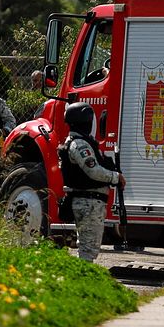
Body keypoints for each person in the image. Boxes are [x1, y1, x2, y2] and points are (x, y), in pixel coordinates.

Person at [59, 102, 125, 262]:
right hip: (89, 203)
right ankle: (80, 276)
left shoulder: (79, 142)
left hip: (88, 202)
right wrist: (115, 177)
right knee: (88, 251)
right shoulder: (79, 144)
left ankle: (81, 274)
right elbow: (93, 171)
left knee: (87, 248)